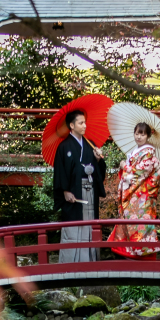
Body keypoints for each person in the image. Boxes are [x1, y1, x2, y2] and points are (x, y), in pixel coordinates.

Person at [52, 109, 106, 262]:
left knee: (90, 225)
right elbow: (60, 172)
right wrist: (65, 191)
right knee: (74, 225)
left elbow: (100, 170)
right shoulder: (64, 147)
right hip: (74, 194)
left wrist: (98, 159)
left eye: (85, 122)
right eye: (81, 123)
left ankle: (91, 261)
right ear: (71, 125)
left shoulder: (91, 145)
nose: (84, 126)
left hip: (90, 191)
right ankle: (71, 262)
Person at [107, 122, 160, 257]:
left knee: (140, 225)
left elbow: (138, 174)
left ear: (148, 136)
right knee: (129, 223)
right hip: (134, 195)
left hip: (142, 197)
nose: (139, 137)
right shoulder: (135, 152)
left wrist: (125, 166)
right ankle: (130, 254)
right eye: (137, 133)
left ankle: (142, 256)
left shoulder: (148, 154)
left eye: (142, 134)